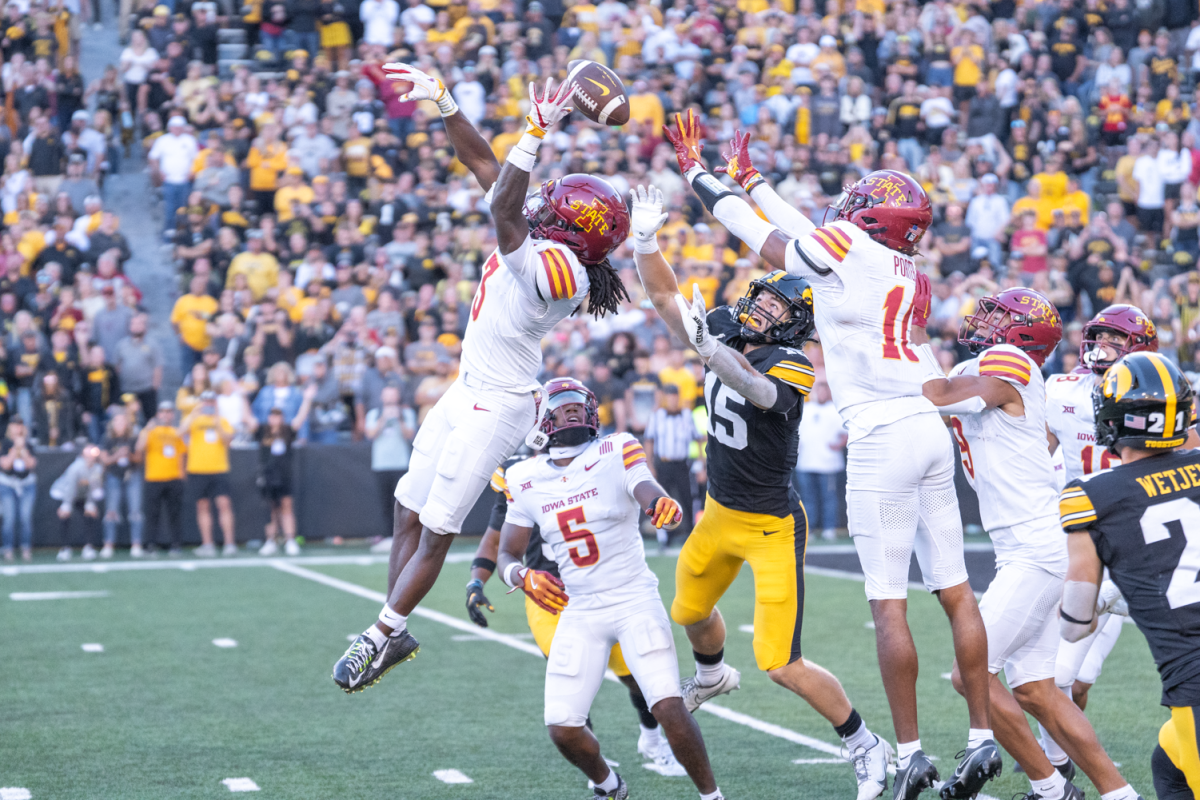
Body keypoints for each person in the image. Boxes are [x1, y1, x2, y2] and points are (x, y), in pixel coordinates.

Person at [666, 114, 992, 798]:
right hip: (928, 423)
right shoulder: (905, 268)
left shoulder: (846, 247)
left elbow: (771, 243)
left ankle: (907, 754)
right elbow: (807, 237)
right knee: (957, 593)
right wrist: (753, 179)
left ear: (869, 215)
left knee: (887, 605)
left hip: (881, 432)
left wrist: (699, 174)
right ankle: (980, 737)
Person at [332, 66, 632, 691]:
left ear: (573, 231)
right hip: (466, 389)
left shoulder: (561, 272)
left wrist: (535, 131)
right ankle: (393, 627)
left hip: (498, 406)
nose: (543, 200)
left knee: (439, 529)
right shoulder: (553, 242)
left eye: (557, 204)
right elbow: (483, 166)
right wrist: (445, 101)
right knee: (408, 509)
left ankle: (379, 634)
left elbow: (501, 202)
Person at [630, 182, 890, 800]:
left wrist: (709, 348)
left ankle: (863, 743)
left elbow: (759, 390)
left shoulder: (792, 361)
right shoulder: (725, 326)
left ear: (797, 322)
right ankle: (714, 675)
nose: (761, 309)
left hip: (771, 523)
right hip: (719, 511)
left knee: (781, 663)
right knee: (689, 613)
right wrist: (644, 242)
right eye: (762, 298)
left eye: (776, 308)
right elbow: (668, 298)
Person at [923, 289, 1142, 800]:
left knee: (969, 674)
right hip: (1038, 542)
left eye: (999, 315)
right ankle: (1118, 793)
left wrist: (896, 362)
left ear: (1022, 332)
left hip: (1035, 546)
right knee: (1037, 689)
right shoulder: (1001, 366)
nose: (983, 318)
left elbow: (935, 396)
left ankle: (1049, 787)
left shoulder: (1010, 359)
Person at [497, 378, 723, 800]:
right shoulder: (523, 477)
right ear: (542, 420)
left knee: (667, 705)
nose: (571, 414)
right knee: (562, 727)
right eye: (561, 407)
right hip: (579, 608)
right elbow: (507, 556)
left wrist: (661, 506)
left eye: (578, 406)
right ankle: (609, 786)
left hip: (633, 596)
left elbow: (647, 489)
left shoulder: (616, 448)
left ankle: (712, 796)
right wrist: (521, 576)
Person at [465, 448, 688, 777]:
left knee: (637, 676)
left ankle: (653, 741)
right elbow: (496, 540)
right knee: (571, 681)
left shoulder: (597, 456)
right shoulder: (518, 475)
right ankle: (598, 769)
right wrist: (475, 583)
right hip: (550, 597)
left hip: (604, 588)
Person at [1059, 352, 1200, 800]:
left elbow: (1075, 623)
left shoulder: (1091, 495)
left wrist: (1110, 596)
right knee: (1170, 765)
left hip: (1193, 676)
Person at [1044, 305, 1164, 769]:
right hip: (1081, 541)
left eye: (1115, 341)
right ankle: (1059, 762)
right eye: (1099, 338)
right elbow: (1038, 457)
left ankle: (1059, 757)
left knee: (1074, 677)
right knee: (1064, 677)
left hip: (1136, 544)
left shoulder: (1155, 394)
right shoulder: (1060, 389)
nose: (1102, 348)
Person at [254, 383, 316, 556]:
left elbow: (300, 418)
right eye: (272, 416)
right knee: (270, 509)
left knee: (287, 507)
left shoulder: (287, 431)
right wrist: (241, 395)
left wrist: (307, 399)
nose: (275, 419)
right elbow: (248, 419)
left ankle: (290, 539)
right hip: (267, 476)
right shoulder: (263, 431)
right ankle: (270, 540)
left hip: (284, 476)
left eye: (278, 416)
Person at [642, 383, 703, 549]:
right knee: (663, 501)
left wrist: (700, 463)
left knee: (688, 499)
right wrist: (650, 465)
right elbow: (649, 440)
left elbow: (698, 439)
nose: (672, 400)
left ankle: (691, 535)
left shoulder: (686, 415)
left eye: (675, 396)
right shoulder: (657, 416)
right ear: (664, 398)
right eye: (669, 396)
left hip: (683, 464)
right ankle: (665, 538)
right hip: (664, 464)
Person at [183, 390, 236, 557]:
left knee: (224, 505)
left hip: (218, 468)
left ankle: (229, 543)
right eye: (205, 401)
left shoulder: (223, 420)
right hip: (198, 469)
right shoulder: (193, 420)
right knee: (202, 507)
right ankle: (208, 544)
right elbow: (179, 434)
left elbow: (228, 439)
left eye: (211, 401)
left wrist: (217, 420)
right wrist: (193, 414)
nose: (208, 404)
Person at [795, 376, 846, 541]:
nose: (822, 393)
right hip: (806, 462)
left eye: (825, 390)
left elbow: (847, 433)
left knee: (828, 498)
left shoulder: (836, 410)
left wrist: (839, 445)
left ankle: (829, 529)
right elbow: (795, 433)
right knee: (807, 499)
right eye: (819, 390)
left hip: (828, 463)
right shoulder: (806, 409)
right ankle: (809, 530)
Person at [137, 401, 186, 556]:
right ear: (158, 414)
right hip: (154, 477)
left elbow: (182, 454)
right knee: (152, 514)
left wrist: (181, 475)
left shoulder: (176, 432)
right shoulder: (151, 431)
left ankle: (176, 544)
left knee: (175, 514)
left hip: (173, 477)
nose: (166, 415)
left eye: (169, 412)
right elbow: (139, 448)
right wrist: (147, 430)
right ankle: (150, 544)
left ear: (172, 414)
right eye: (163, 412)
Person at [365, 385, 415, 527]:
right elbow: (370, 434)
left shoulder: (407, 413)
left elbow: (410, 435)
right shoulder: (374, 414)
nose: (390, 399)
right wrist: (383, 418)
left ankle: (404, 534)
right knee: (385, 502)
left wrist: (399, 418)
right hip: (381, 464)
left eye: (393, 395)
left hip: (400, 464)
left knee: (402, 503)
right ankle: (387, 535)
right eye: (387, 395)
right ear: (382, 397)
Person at [49, 444, 105, 562]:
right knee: (64, 516)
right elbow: (70, 487)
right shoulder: (76, 467)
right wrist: (66, 505)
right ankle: (65, 548)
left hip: (82, 495)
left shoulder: (98, 468)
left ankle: (88, 547)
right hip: (64, 493)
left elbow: (94, 487)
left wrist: (90, 504)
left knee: (89, 515)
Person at [100, 411, 144, 558]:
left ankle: (136, 544)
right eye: (116, 422)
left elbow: (138, 457)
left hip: (132, 475)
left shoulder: (133, 438)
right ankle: (108, 544)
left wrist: (129, 455)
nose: (119, 425)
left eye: (122, 421)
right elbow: (105, 460)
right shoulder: (107, 439)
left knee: (135, 511)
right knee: (111, 512)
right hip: (114, 476)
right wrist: (117, 455)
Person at [0, 418, 37, 562]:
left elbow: (32, 464)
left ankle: (26, 548)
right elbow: (5, 465)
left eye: (20, 425)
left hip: (26, 484)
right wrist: (15, 449)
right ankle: (8, 549)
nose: (18, 429)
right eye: (15, 425)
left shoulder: (29, 444)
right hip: (8, 484)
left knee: (25, 517)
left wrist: (23, 450)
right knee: (9, 518)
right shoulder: (5, 443)